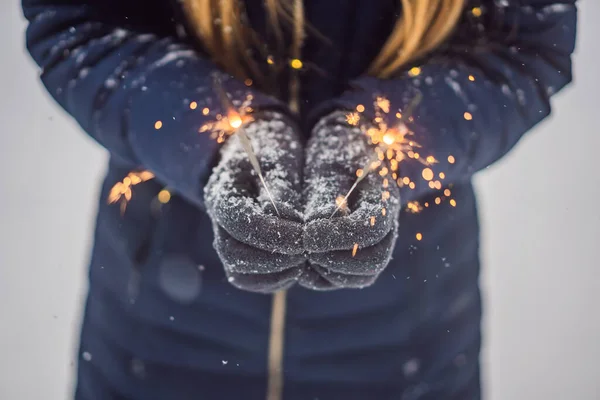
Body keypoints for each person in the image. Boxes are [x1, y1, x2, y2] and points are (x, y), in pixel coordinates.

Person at [22, 0, 577, 399]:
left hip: (408, 344)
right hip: (156, 335)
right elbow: (78, 23)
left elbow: (526, 44)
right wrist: (218, 136)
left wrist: (382, 140)